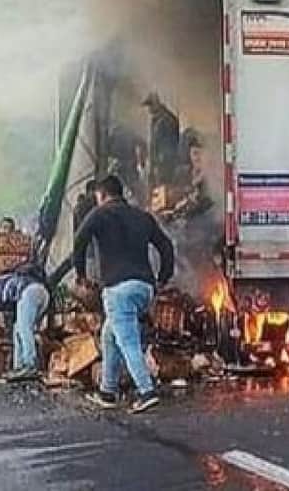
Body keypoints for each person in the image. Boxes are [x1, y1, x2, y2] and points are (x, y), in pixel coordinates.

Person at [70, 174, 175, 413]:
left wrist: (81, 274)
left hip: (118, 289)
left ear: (102, 194)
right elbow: (166, 245)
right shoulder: (142, 216)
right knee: (110, 335)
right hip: (144, 288)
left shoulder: (99, 214)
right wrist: (163, 278)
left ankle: (146, 390)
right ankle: (108, 392)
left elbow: (79, 242)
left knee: (127, 341)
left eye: (97, 196)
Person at [0, 263, 49, 382]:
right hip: (41, 294)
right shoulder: (7, 285)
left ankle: (29, 364)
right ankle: (19, 365)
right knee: (18, 329)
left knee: (24, 329)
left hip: (30, 292)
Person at [142, 92, 180, 189]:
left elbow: (169, 144)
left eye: (150, 105)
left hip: (164, 164)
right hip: (159, 163)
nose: (149, 109)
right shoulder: (158, 119)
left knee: (163, 188)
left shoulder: (167, 120)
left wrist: (159, 162)